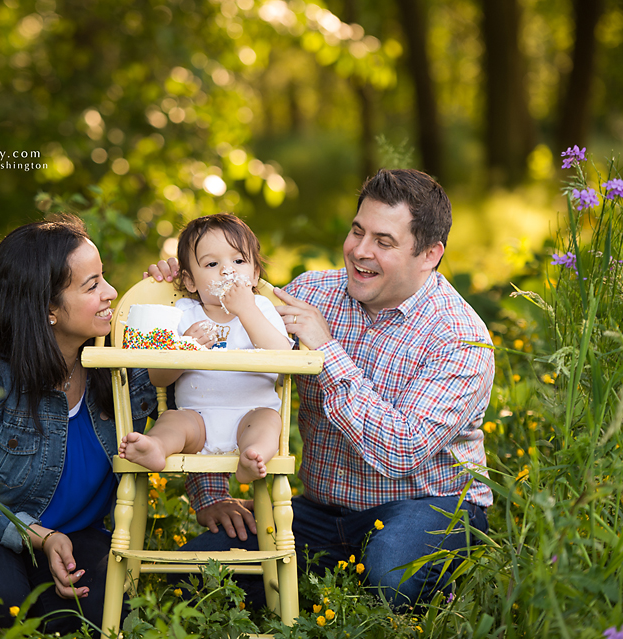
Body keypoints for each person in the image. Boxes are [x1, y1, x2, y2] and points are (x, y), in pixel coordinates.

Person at [147, 168, 494, 609]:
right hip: (321, 514)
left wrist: (325, 349)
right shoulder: (311, 293)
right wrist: (177, 290)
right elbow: (221, 374)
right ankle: (332, 572)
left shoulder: (460, 337)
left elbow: (401, 451)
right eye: (357, 231)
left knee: (391, 573)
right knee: (199, 575)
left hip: (428, 505)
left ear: (429, 254)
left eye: (383, 242)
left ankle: (405, 583)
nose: (360, 251)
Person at [0, 217, 157, 634]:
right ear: (48, 308)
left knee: (96, 615)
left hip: (78, 535)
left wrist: (178, 290)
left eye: (103, 278)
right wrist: (40, 536)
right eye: (92, 285)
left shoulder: (121, 368)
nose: (111, 293)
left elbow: (197, 383)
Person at [119, 214, 293, 484]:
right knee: (173, 421)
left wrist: (246, 310)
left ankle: (252, 454)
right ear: (190, 281)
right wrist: (183, 347)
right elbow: (157, 378)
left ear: (255, 274)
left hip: (251, 413)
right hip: (197, 418)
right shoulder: (183, 314)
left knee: (268, 422)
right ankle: (156, 447)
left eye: (238, 261)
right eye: (212, 263)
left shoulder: (262, 309)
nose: (227, 271)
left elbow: (284, 359)